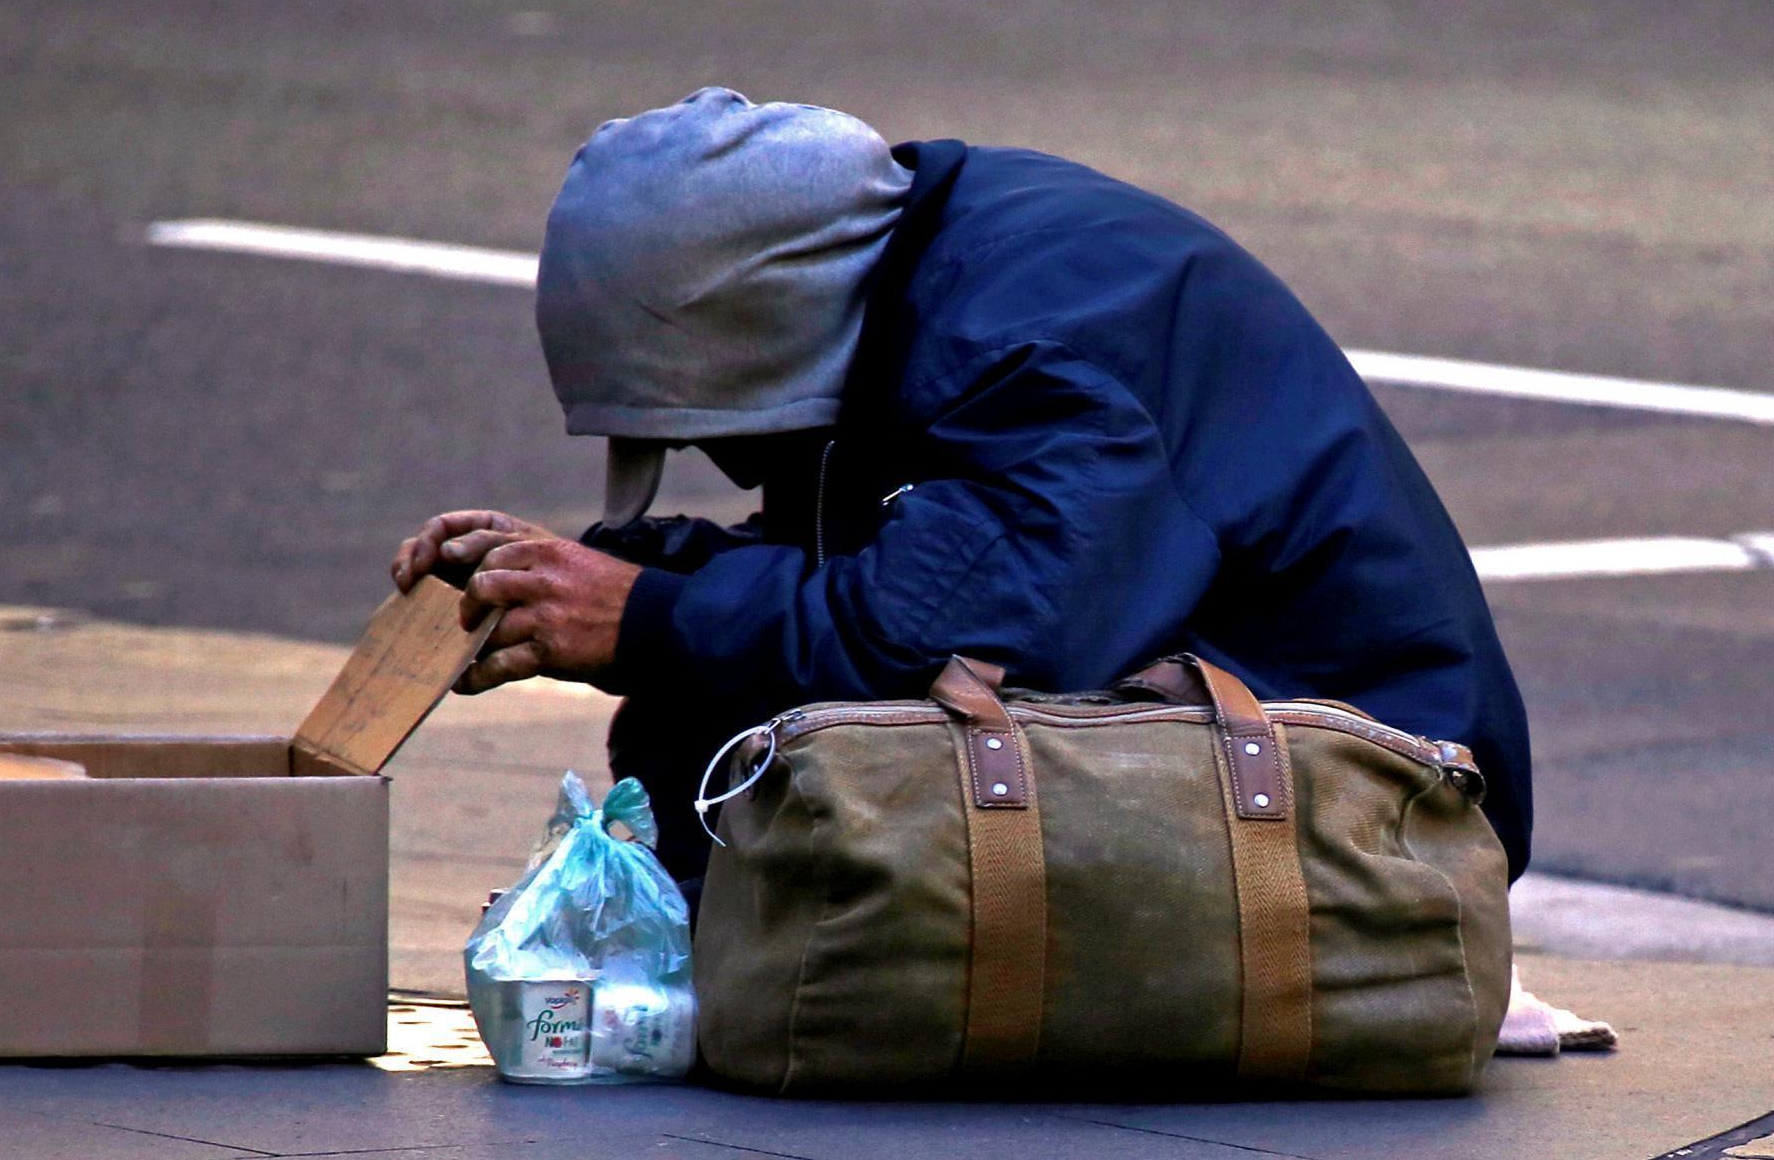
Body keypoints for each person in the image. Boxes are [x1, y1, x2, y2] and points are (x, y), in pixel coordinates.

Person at [392, 87, 1533, 912]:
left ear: (766, 334)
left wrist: (643, 614)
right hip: (1257, 717)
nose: (726, 463)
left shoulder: (1018, 335)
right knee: (711, 708)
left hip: (1376, 796)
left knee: (750, 711)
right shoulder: (889, 266)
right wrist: (601, 574)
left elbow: (971, 642)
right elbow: (902, 573)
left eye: (714, 427)